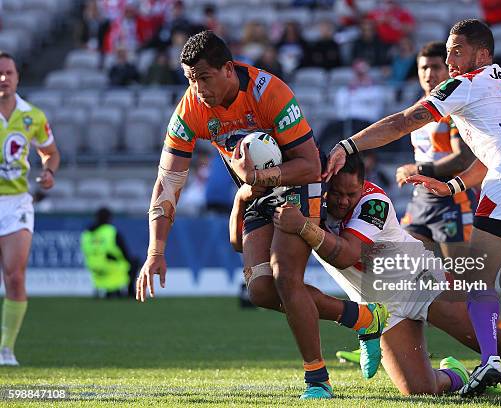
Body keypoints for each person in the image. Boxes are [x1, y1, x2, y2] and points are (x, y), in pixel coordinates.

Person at [324, 19, 501, 403]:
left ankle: (490, 360)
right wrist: (455, 186)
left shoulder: (463, 84)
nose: (450, 59)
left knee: (475, 280)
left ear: (483, 54)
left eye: (457, 51)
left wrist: (350, 145)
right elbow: (499, 147)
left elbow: (404, 120)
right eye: (447, 52)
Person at [135, 30, 387, 399]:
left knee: (287, 277)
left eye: (203, 77)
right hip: (256, 190)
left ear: (227, 69)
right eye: (190, 79)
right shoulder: (190, 109)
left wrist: (257, 176)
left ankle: (317, 380)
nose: (197, 88)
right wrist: (156, 250)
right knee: (261, 290)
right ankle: (365, 319)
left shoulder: (269, 91)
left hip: (298, 182)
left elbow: (308, 164)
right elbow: (168, 182)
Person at [274, 154, 501, 399]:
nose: (345, 200)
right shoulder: (306, 202)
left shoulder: (372, 202)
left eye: (353, 192)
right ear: (323, 184)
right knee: (418, 390)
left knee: (494, 342)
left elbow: (347, 253)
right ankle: (457, 374)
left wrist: (303, 227)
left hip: (420, 282)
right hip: (379, 308)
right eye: (338, 194)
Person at [0, 52, 60, 366]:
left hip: (16, 202)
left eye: (8, 73)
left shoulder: (32, 116)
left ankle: (6, 349)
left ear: (17, 77)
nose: (3, 78)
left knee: (15, 277)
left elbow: (50, 153)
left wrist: (48, 172)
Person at [395, 41, 476, 258]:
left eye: (436, 67)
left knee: (459, 279)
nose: (429, 74)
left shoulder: (455, 109)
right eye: (424, 68)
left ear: (448, 70)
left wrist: (418, 169)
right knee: (408, 268)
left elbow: (463, 160)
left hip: (452, 195)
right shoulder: (417, 108)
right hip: (422, 198)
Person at [81, 208, 136, 298]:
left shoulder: (87, 233)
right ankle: (129, 292)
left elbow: (85, 250)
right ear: (109, 218)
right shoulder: (111, 231)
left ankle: (108, 290)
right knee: (134, 262)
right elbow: (124, 251)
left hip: (93, 266)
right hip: (110, 264)